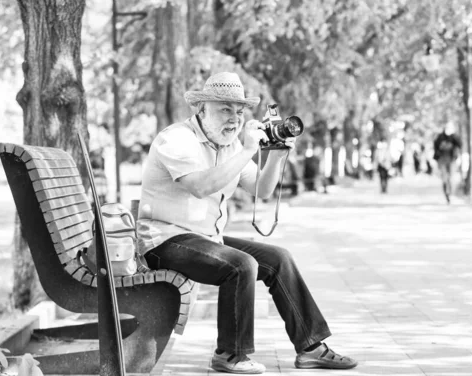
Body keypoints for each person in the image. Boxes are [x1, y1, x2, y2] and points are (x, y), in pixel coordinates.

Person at [137, 72, 357, 374]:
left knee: (278, 259)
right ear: (201, 109)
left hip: (206, 240)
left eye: (239, 111)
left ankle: (311, 347)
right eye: (225, 109)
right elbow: (201, 186)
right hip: (163, 241)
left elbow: (262, 190)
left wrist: (278, 154)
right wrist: (248, 150)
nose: (234, 119)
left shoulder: (228, 148)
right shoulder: (176, 139)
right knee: (241, 265)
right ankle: (230, 354)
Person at [433, 121, 462, 203]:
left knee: (451, 178)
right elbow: (435, 146)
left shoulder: (454, 137)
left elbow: (460, 144)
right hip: (442, 160)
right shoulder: (440, 137)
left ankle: (450, 192)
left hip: (451, 160)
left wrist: (454, 136)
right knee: (445, 178)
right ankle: (447, 193)